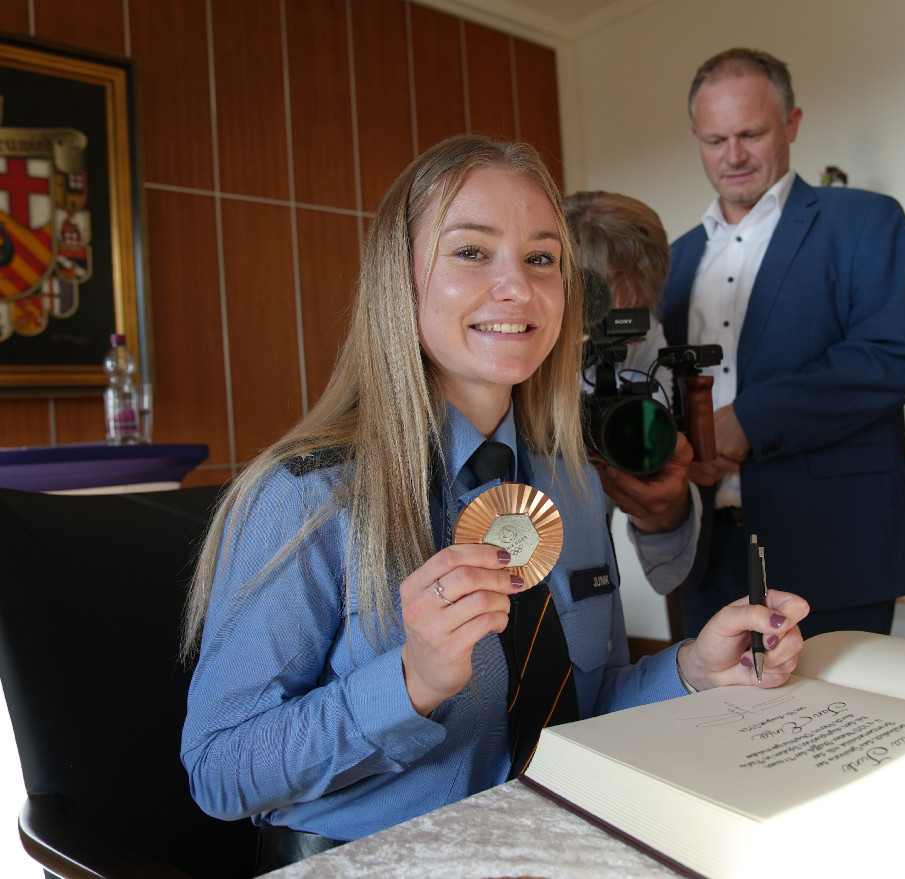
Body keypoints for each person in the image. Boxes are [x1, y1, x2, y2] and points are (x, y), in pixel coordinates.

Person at [180, 134, 809, 867]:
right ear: (401, 278)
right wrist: (408, 684)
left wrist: (693, 670)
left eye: (542, 258)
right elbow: (220, 769)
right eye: (472, 252)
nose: (518, 287)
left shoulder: (570, 479)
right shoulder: (306, 496)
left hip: (554, 844)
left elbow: (582, 704)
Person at [660, 47, 905, 639]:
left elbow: (889, 357)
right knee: (715, 725)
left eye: (750, 134)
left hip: (833, 540)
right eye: (714, 139)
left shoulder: (864, 221)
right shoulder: (673, 260)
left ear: (792, 124)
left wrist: (748, 419)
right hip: (705, 550)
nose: (732, 156)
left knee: (847, 727)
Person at [565, 190, 700, 592]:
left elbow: (646, 453)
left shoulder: (643, 328)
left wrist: (661, 495)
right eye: (600, 320)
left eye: (630, 316)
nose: (616, 331)